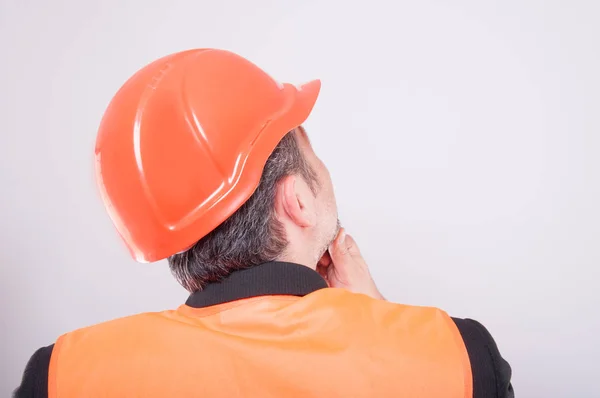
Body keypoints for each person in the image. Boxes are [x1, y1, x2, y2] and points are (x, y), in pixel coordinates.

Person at [14, 49, 514, 398]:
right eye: (312, 156)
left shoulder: (62, 376)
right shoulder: (460, 359)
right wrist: (385, 323)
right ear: (294, 200)